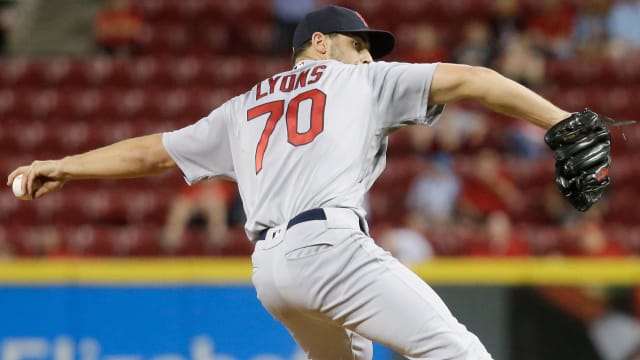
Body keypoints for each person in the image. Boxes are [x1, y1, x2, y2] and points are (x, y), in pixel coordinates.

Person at [8, 5, 581, 359]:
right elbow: (476, 79)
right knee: (455, 351)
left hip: (271, 272)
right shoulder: (359, 81)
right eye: (360, 47)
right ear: (321, 44)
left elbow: (150, 153)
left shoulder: (242, 107)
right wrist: (561, 120)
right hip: (330, 249)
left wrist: (63, 164)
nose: (367, 59)